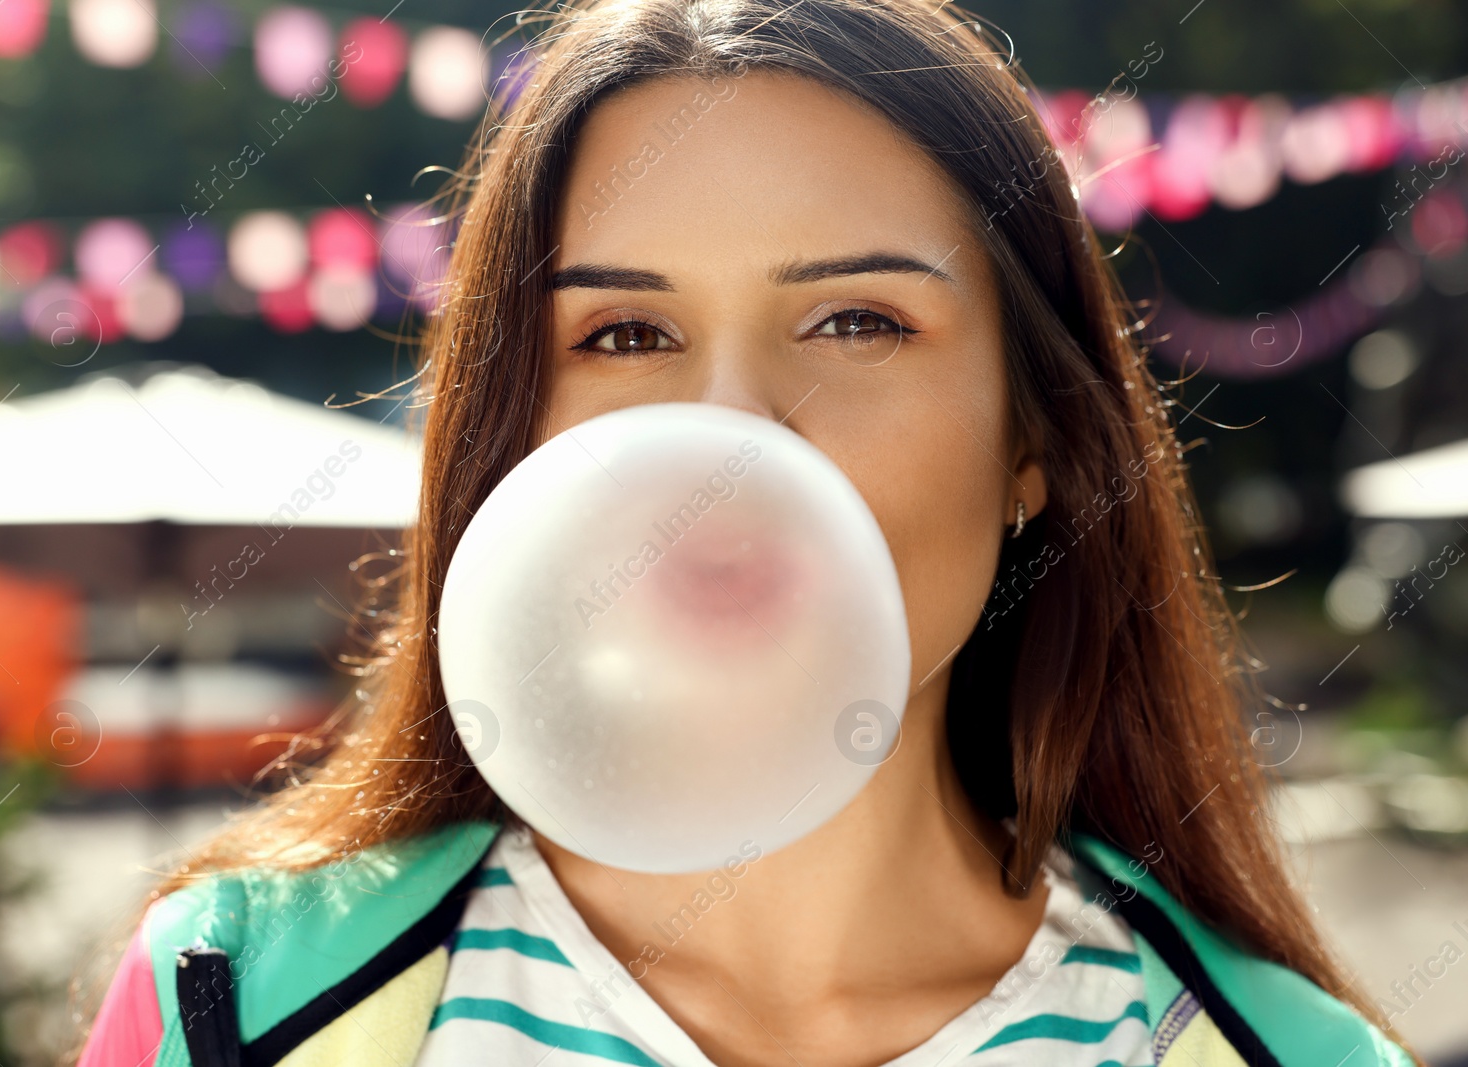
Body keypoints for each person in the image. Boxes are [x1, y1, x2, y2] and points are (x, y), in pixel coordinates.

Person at [70, 1, 1422, 1064]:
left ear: (1035, 445)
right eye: (626, 333)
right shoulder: (237, 1003)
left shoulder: (1282, 1055)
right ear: (515, 435)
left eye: (857, 323)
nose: (729, 439)